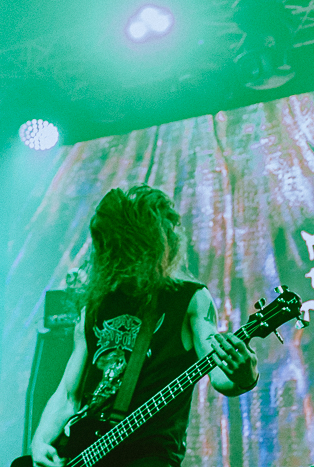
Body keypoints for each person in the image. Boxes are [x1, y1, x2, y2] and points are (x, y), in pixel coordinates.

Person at [28, 186, 260, 467]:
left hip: (149, 457)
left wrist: (245, 374)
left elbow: (221, 377)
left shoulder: (189, 299)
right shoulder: (95, 307)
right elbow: (68, 394)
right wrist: (39, 442)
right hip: (88, 451)